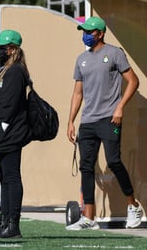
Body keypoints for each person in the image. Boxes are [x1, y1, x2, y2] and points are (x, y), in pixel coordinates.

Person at [66, 16, 143, 230]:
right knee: (86, 167)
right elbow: (77, 93)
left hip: (109, 118)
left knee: (114, 161)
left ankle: (133, 205)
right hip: (87, 121)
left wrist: (120, 107)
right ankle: (89, 218)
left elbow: (134, 81)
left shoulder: (114, 53)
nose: (86, 35)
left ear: (100, 33)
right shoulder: (81, 59)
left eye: (90, 32)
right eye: (84, 31)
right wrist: (70, 121)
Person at [0, 30, 31, 239]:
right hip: (0, 131)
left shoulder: (16, 71)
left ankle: (13, 225)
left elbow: (7, 106)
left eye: (1, 46)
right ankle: (4, 222)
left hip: (10, 131)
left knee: (11, 176)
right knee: (3, 177)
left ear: (12, 49)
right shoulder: (1, 70)